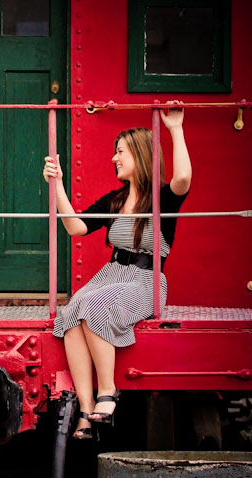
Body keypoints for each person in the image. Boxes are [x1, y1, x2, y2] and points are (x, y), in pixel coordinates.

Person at [42, 101, 191, 440]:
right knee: (70, 315)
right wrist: (59, 185)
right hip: (110, 276)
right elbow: (76, 227)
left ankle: (108, 392)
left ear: (140, 154)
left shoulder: (163, 199)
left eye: (120, 152)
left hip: (145, 281)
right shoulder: (114, 200)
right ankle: (84, 411)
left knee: (94, 305)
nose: (114, 158)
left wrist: (175, 129)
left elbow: (183, 177)